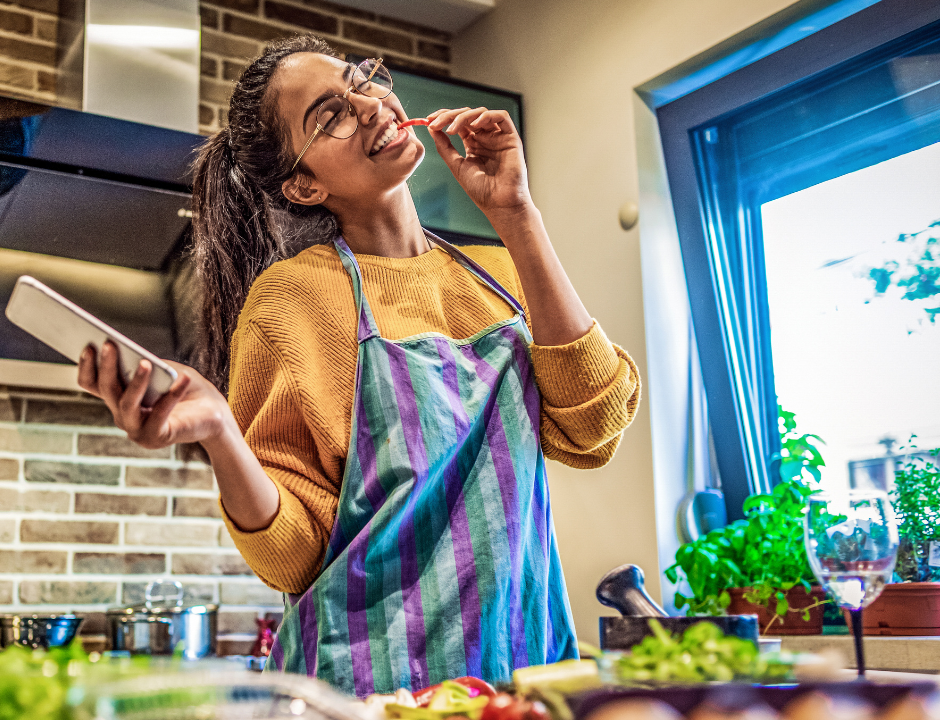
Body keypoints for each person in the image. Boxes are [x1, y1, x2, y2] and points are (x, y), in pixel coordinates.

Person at [77, 35, 641, 695]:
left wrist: (516, 213)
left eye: (363, 79)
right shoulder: (291, 302)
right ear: (303, 184)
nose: (370, 104)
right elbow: (294, 557)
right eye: (330, 115)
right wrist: (221, 436)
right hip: (372, 692)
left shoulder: (499, 273)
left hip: (524, 680)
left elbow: (594, 429)